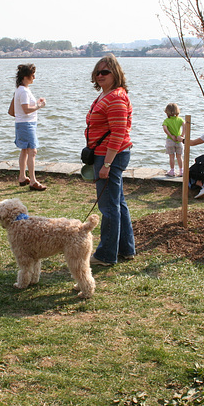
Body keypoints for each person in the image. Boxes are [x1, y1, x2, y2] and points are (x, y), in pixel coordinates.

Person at [86, 54, 135, 267]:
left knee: (108, 207)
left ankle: (106, 254)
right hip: (105, 154)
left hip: (109, 156)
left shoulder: (115, 97)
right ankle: (126, 248)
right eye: (97, 72)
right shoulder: (106, 95)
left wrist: (106, 164)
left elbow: (118, 132)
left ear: (115, 73)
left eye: (105, 72)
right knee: (118, 203)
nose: (100, 75)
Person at [11, 63, 47, 191]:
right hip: (26, 124)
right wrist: (39, 106)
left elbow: (21, 108)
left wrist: (37, 103)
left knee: (25, 150)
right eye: (32, 75)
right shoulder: (23, 91)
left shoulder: (21, 89)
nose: (34, 78)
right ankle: (33, 180)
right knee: (32, 151)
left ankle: (22, 177)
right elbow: (26, 109)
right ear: (26, 76)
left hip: (23, 123)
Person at [162, 103, 185, 177]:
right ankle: (181, 171)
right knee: (179, 156)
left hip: (170, 140)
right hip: (179, 140)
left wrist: (171, 135)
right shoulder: (180, 119)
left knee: (171, 156)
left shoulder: (166, 120)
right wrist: (182, 135)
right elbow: (185, 125)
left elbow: (165, 128)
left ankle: (172, 171)